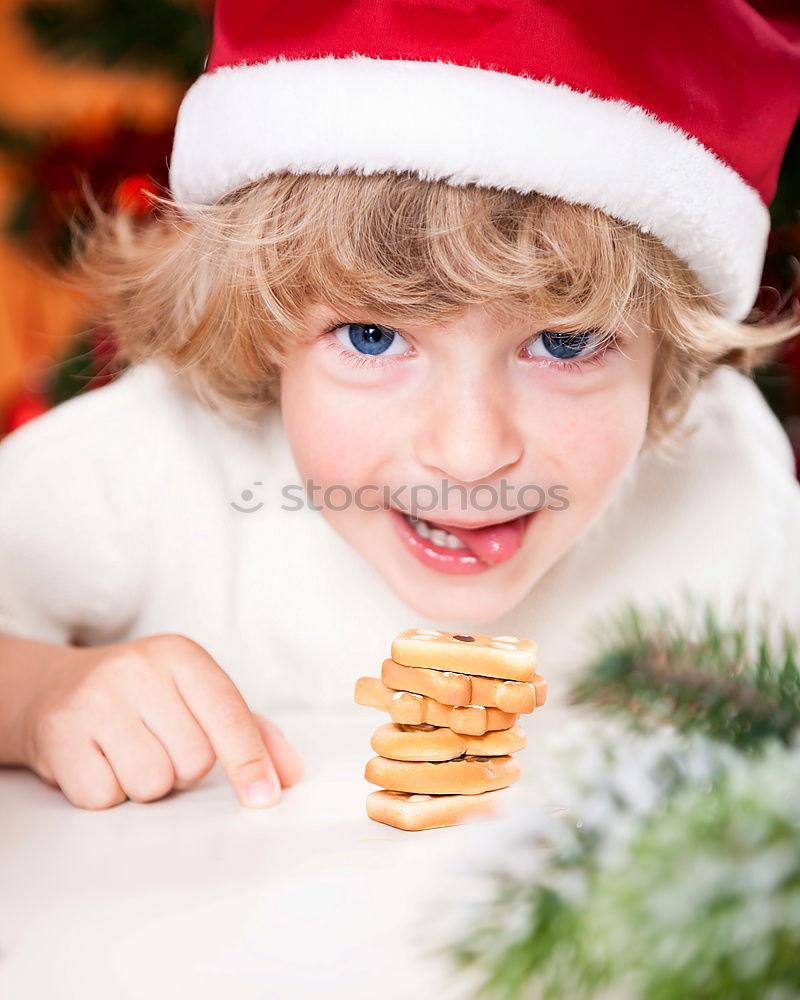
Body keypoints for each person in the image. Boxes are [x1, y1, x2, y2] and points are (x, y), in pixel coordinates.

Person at [0, 0, 798, 812]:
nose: (467, 452)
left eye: (564, 344)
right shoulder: (150, 460)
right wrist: (37, 695)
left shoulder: (723, 473)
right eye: (374, 337)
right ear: (263, 325)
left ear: (670, 356)